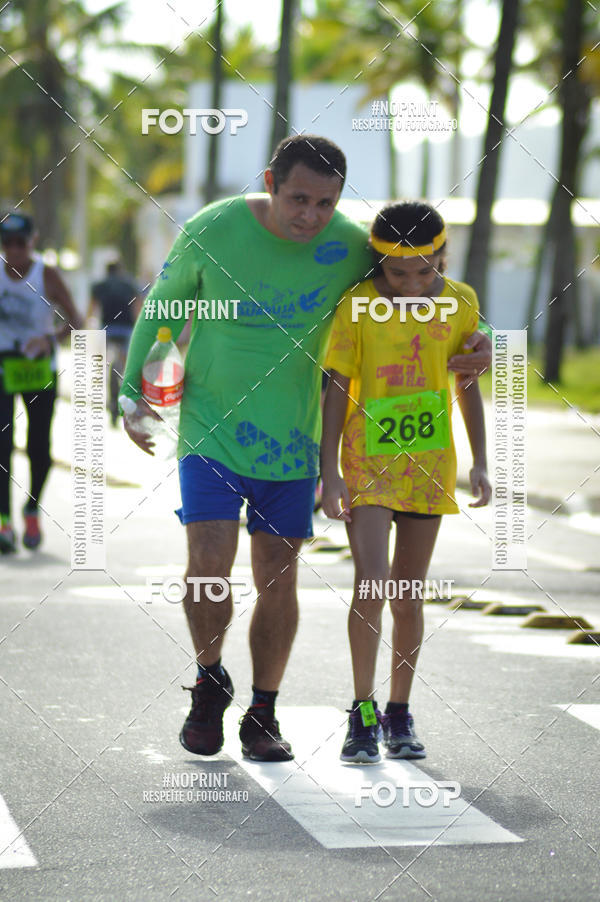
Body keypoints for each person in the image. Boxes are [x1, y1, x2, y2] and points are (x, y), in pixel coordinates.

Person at [119, 136, 492, 763]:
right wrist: (136, 393)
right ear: (270, 181)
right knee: (208, 561)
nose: (310, 215)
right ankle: (210, 681)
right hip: (211, 427)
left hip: (296, 440)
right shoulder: (214, 227)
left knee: (278, 576)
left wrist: (480, 341)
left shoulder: (348, 244)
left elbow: (417, 286)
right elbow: (165, 303)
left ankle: (263, 710)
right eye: (298, 198)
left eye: (325, 202)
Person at [321, 201, 492, 764]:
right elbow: (339, 386)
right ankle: (362, 712)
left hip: (429, 465)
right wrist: (329, 472)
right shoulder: (359, 304)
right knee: (371, 581)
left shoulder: (461, 302)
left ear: (442, 257)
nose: (413, 283)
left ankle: (399, 711)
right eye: (399, 272)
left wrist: (481, 460)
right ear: (379, 264)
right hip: (366, 461)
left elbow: (467, 382)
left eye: (426, 270)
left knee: (408, 596)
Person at [0, 211, 82, 553]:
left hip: (38, 366)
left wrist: (48, 340)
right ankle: (4, 522)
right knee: (2, 445)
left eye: (21, 243)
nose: (15, 251)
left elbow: (77, 321)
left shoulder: (45, 274)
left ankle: (32, 509)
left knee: (38, 449)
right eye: (8, 244)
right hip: (4, 364)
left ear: (32, 242)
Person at [88, 261, 143, 425]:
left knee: (106, 365)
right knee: (126, 368)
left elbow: (91, 309)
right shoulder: (129, 284)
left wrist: (86, 326)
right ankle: (126, 400)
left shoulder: (99, 286)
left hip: (107, 329)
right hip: (126, 329)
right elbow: (138, 306)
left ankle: (112, 404)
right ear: (120, 270)